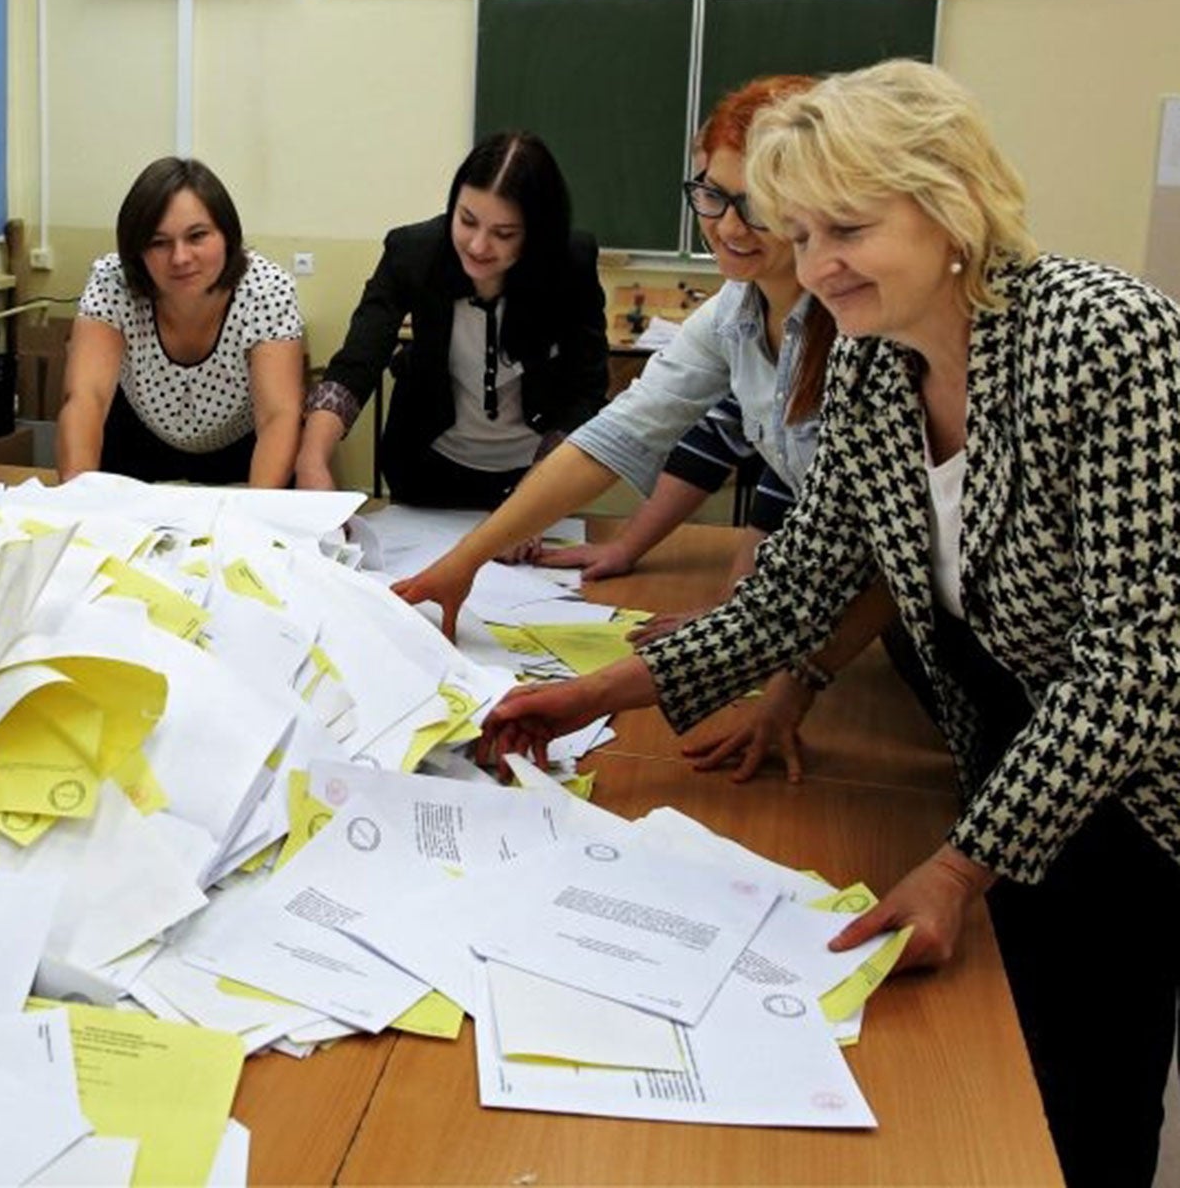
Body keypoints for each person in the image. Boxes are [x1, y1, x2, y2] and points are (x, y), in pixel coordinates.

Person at [482, 59, 1180, 1188]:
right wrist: (594, 694)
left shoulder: (1105, 342)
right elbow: (799, 587)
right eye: (800, 233)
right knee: (997, 1060)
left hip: (1134, 784)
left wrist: (958, 871)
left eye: (845, 227)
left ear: (950, 206)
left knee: (1088, 1083)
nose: (815, 266)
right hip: (997, 740)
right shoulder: (864, 358)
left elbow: (1133, 669)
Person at [392, 78, 895, 780]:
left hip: (902, 631)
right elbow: (615, 437)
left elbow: (880, 557)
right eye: (712, 195)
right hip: (834, 626)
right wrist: (463, 563)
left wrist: (789, 689)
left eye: (756, 206)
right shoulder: (735, 312)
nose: (725, 224)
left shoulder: (869, 332)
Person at [294, 131, 607, 508]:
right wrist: (312, 460)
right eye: (467, 220)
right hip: (427, 465)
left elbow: (586, 388)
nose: (477, 245)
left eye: (503, 233)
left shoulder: (569, 264)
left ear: (537, 234)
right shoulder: (414, 252)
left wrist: (541, 487)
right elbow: (358, 362)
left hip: (535, 470)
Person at [57, 156, 305, 486]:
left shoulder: (266, 290)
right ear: (137, 251)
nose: (180, 258)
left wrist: (254, 518)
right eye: (159, 243)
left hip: (243, 452)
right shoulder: (111, 281)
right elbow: (86, 397)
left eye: (197, 236)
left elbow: (278, 416)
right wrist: (79, 494)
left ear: (227, 235)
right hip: (138, 442)